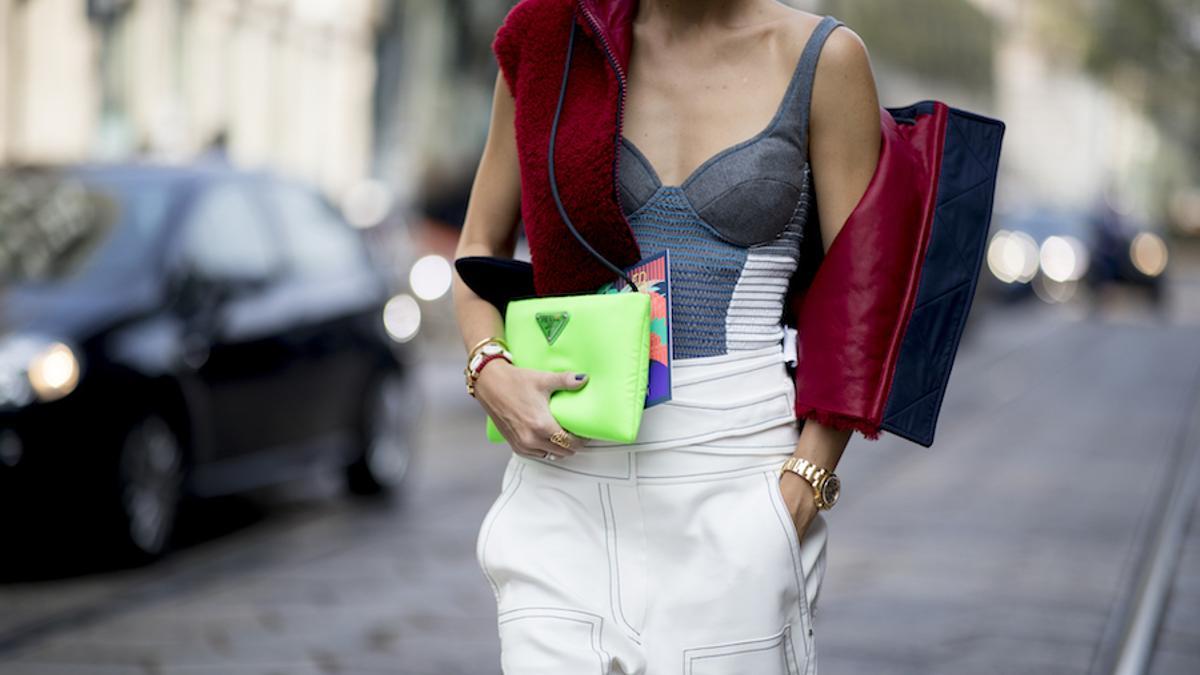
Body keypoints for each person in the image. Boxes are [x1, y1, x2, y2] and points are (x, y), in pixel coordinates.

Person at [453, 0, 882, 672]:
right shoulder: (553, 42)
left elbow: (863, 300)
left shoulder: (823, 58)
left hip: (734, 476)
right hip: (563, 484)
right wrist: (490, 368)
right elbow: (478, 246)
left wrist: (805, 483)